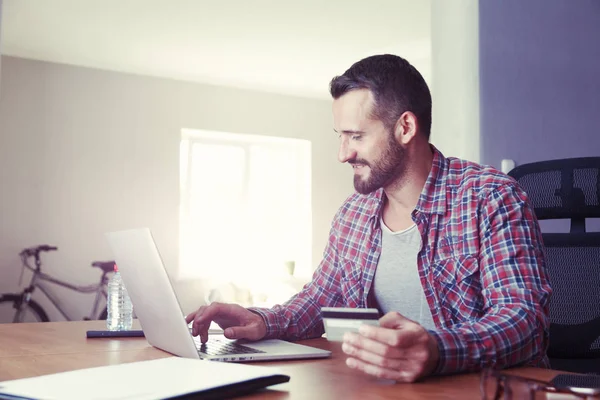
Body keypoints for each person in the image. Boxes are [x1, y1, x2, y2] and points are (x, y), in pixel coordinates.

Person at [186, 54, 552, 382]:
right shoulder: (353, 214)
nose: (343, 154)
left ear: (405, 128)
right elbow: (319, 299)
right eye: (340, 136)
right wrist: (262, 321)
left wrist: (438, 349)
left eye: (355, 136)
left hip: (480, 390)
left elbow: (524, 321)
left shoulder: (490, 197)